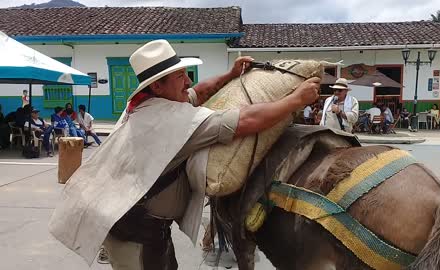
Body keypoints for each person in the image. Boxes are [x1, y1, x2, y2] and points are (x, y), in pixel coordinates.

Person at [48, 39, 321, 269]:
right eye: (180, 76)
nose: (187, 81)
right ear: (157, 86)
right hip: (136, 232)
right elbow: (246, 120)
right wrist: (296, 100)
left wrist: (229, 75)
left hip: (125, 219)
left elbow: (196, 92)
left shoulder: (145, 105)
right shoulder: (174, 121)